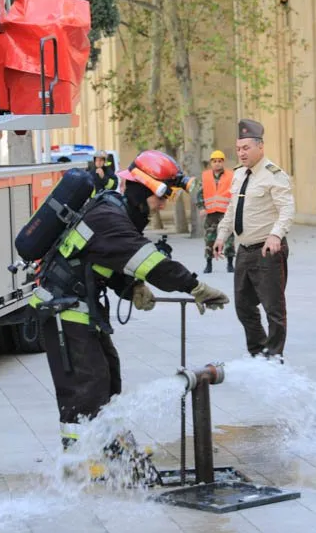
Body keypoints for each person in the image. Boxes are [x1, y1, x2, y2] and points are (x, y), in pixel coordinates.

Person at [32, 149, 230, 459]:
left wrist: (130, 287)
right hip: (64, 313)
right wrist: (196, 287)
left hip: (80, 310)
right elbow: (154, 264)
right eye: (159, 196)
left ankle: (110, 452)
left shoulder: (113, 212)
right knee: (86, 389)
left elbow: (100, 261)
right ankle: (80, 464)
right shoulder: (109, 218)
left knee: (108, 376)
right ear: (141, 190)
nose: (161, 204)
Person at [213, 119, 295, 361]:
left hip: (268, 251)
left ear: (260, 147)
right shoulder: (238, 175)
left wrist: (275, 235)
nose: (241, 153)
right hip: (244, 251)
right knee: (243, 306)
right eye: (238, 149)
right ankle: (258, 351)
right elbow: (231, 209)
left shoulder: (274, 175)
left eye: (246, 148)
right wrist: (221, 236)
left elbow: (287, 210)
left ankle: (275, 355)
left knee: (274, 309)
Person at [196, 149, 235, 274]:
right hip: (211, 214)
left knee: (229, 238)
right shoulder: (205, 176)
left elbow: (235, 192)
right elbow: (200, 194)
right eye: (214, 161)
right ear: (211, 163)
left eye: (219, 161)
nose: (217, 163)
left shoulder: (231, 176)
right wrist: (202, 208)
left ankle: (230, 264)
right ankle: (208, 264)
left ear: (223, 162)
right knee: (209, 239)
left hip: (226, 213)